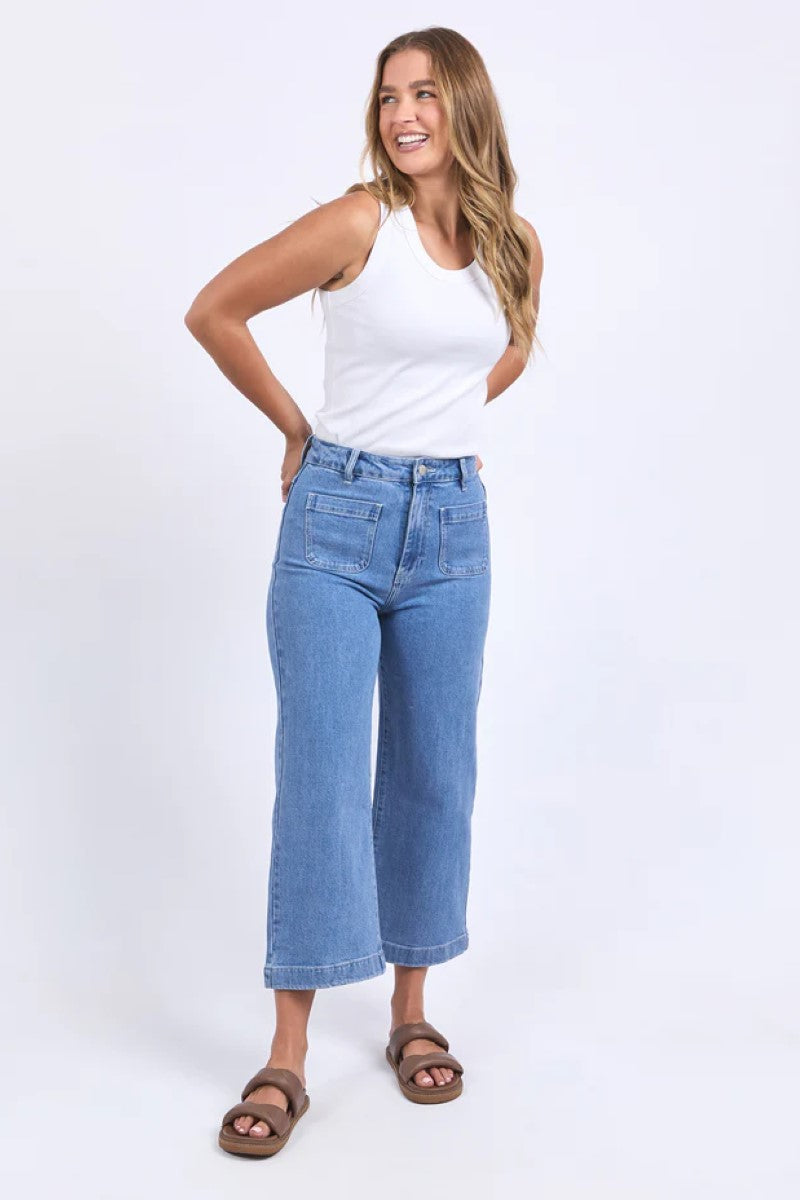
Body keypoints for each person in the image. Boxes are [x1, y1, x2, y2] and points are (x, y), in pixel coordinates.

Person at [185, 25, 543, 1158]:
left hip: (451, 530)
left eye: (425, 93)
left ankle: (409, 1015)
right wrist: (303, 429)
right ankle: (286, 1052)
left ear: (465, 107)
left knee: (434, 773)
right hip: (332, 523)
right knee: (322, 778)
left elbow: (511, 349)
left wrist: (443, 434)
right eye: (389, 95)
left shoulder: (513, 244)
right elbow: (214, 309)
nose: (402, 113)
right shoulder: (357, 222)